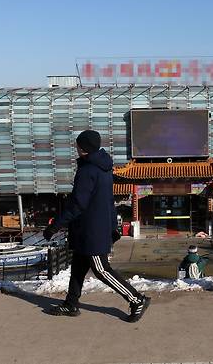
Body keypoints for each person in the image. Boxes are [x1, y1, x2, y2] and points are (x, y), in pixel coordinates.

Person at [43, 130, 150, 322]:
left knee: (101, 269)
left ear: (83, 148)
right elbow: (109, 201)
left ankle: (137, 299)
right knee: (78, 267)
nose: (76, 148)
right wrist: (112, 227)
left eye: (77, 145)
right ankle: (71, 303)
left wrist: (55, 226)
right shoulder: (103, 168)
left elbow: (77, 204)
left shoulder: (88, 171)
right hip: (89, 229)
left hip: (91, 231)